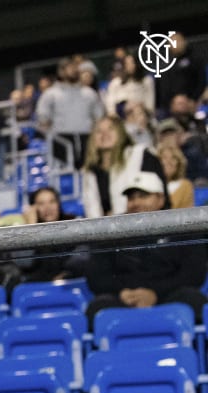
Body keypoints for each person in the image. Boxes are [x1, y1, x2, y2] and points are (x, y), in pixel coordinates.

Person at [85, 172, 208, 323]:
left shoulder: (182, 228)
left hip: (168, 296)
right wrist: (123, 292)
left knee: (195, 301)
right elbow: (96, 276)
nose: (136, 203)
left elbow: (194, 274)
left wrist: (155, 292)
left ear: (161, 199)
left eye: (143, 196)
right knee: (97, 308)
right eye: (131, 198)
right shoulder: (111, 231)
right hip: (125, 299)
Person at [80, 114, 165, 218]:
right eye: (98, 131)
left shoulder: (140, 155)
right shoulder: (89, 172)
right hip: (103, 231)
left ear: (121, 132)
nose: (104, 134)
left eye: (110, 129)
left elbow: (160, 196)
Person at [35, 57, 105, 169]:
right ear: (61, 72)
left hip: (87, 138)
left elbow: (99, 116)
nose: (74, 70)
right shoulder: (50, 94)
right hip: (61, 139)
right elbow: (43, 118)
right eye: (70, 67)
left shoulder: (89, 93)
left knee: (90, 170)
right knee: (65, 173)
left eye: (75, 67)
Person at [12, 186, 87, 284]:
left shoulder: (73, 223)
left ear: (58, 204)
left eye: (52, 202)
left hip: (70, 281)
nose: (48, 207)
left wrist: (67, 274)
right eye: (41, 203)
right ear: (33, 208)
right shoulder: (23, 231)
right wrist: (31, 226)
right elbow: (25, 262)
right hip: (36, 286)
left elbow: (83, 255)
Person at [158, 141, 196, 209]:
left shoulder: (185, 185)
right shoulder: (150, 185)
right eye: (164, 157)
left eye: (173, 158)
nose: (169, 161)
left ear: (178, 163)